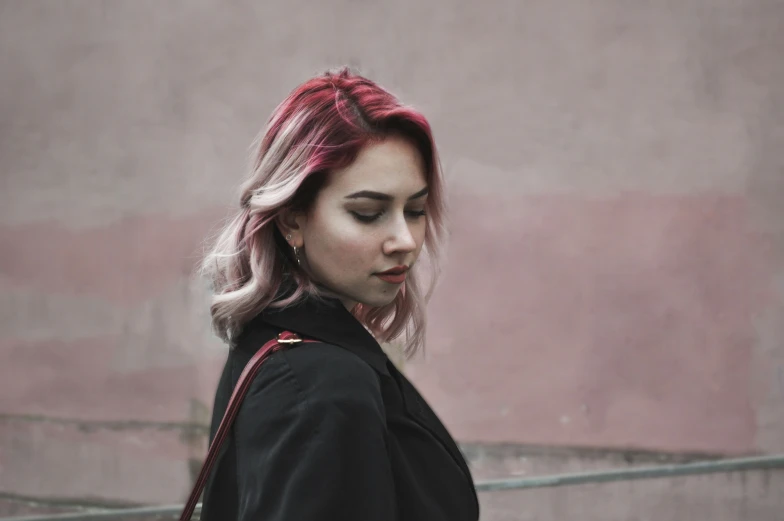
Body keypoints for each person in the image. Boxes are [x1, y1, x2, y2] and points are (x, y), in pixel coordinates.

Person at [198, 67, 479, 521]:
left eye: (416, 210)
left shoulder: (276, 345)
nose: (405, 240)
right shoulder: (322, 387)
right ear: (291, 218)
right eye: (368, 213)